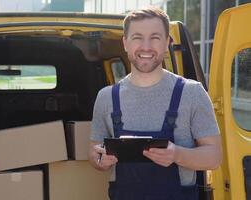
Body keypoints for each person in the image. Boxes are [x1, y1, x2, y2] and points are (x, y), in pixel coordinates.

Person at [88, 7, 222, 200]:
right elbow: (94, 153)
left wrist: (177, 155)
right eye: (137, 37)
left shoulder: (191, 92)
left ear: (167, 43)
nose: (146, 46)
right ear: (125, 43)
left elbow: (214, 157)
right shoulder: (106, 97)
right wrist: (100, 159)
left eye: (155, 37)